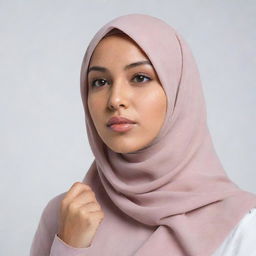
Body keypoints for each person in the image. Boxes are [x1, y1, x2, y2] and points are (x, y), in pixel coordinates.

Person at [29, 13, 256, 256]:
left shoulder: (241, 226)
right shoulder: (65, 216)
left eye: (140, 77)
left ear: (178, 91)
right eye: (99, 82)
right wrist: (70, 246)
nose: (115, 99)